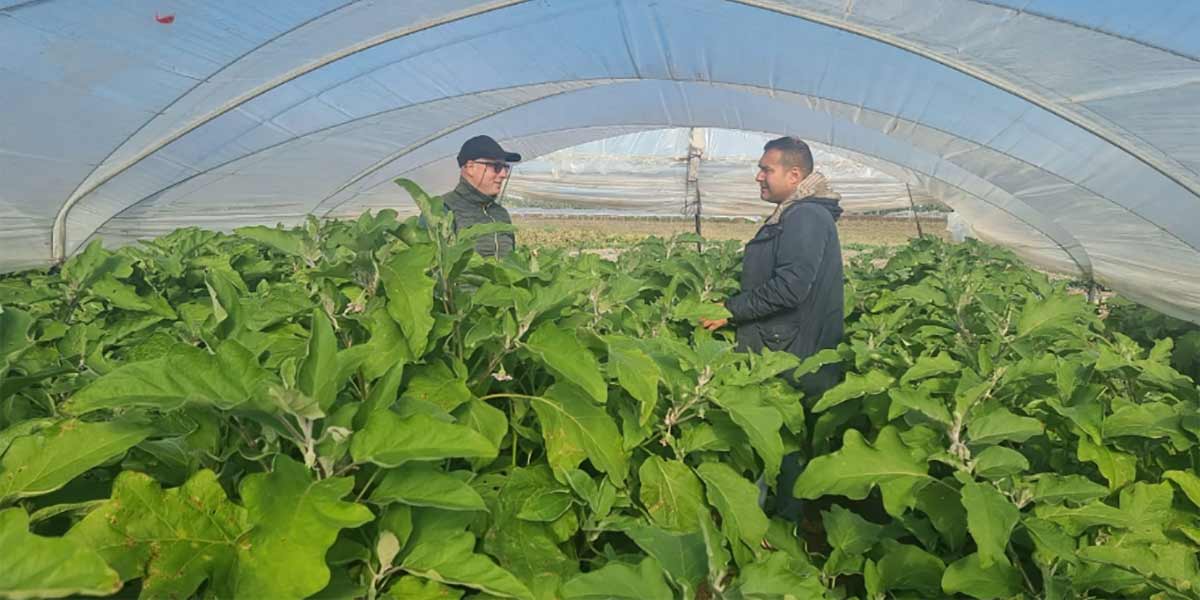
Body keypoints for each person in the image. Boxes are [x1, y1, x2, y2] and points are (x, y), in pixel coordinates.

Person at [699, 135, 845, 518]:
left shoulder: (806, 216)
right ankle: (779, 522)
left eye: (766, 169)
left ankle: (774, 526)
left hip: (789, 354)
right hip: (789, 345)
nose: (758, 177)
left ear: (794, 174)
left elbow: (791, 286)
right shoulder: (796, 212)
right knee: (782, 440)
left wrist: (731, 311)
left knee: (778, 441)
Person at [439, 135, 521, 258]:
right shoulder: (443, 208)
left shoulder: (501, 214)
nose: (503, 174)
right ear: (471, 167)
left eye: (505, 167)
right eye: (496, 167)